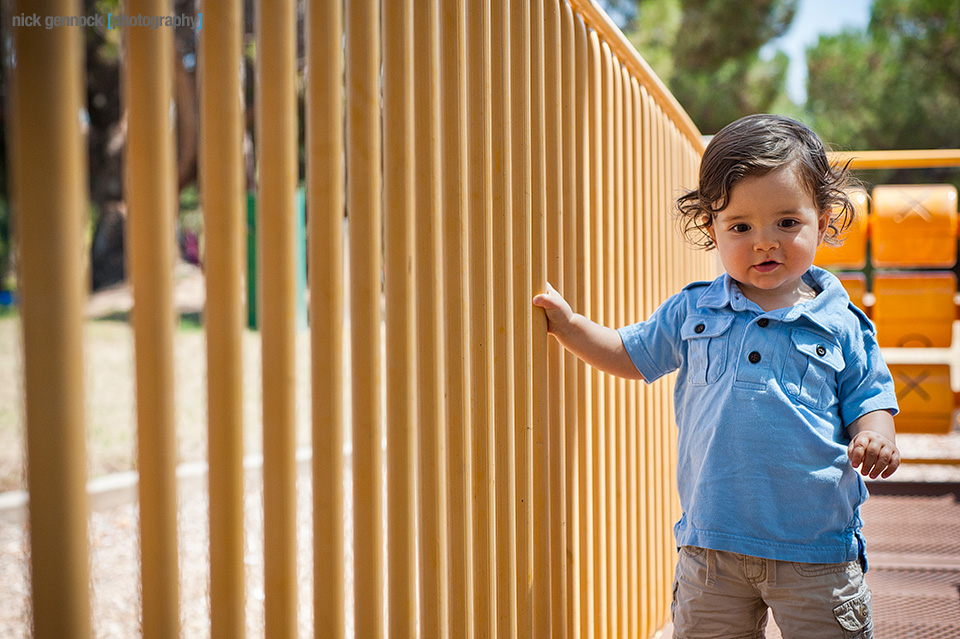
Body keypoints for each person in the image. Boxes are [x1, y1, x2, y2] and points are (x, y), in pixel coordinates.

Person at [533, 114, 899, 638]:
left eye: (787, 223)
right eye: (741, 227)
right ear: (712, 229)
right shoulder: (694, 311)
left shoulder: (841, 323)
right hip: (712, 550)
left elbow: (870, 398)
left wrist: (875, 434)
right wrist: (570, 327)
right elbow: (628, 354)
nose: (764, 242)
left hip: (815, 549)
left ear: (822, 218)